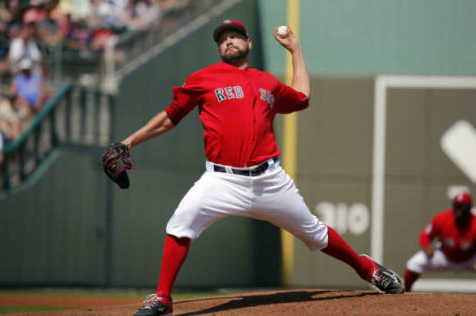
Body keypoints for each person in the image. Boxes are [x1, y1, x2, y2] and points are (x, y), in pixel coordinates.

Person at [115, 20, 404, 316]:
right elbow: (169, 117)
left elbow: (302, 97)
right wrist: (129, 142)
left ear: (248, 43)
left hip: (269, 180)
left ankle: (368, 269)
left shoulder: (267, 82)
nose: (228, 41)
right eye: (223, 39)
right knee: (180, 223)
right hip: (221, 179)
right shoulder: (203, 78)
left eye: (235, 36)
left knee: (315, 234)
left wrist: (295, 49)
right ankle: (162, 298)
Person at [404, 192, 476, 292]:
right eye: (456, 205)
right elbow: (425, 235)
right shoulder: (443, 218)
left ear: (469, 207)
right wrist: (427, 246)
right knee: (414, 263)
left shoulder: (474, 223)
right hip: (444, 255)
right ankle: (405, 293)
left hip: (469, 259)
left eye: (462, 206)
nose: (458, 209)